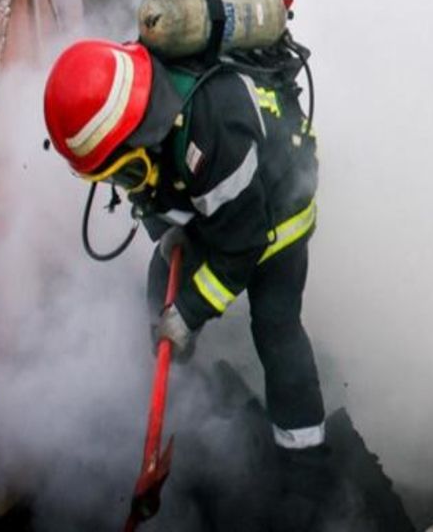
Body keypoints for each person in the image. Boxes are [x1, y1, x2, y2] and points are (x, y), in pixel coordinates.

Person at [43, 29, 331, 527]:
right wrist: (168, 231)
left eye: (123, 172)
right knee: (159, 287)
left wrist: (189, 314)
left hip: (276, 214)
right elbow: (151, 182)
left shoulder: (213, 131)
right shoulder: (136, 106)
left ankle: (306, 467)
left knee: (276, 327)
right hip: (220, 201)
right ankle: (177, 391)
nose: (120, 184)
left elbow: (242, 246)